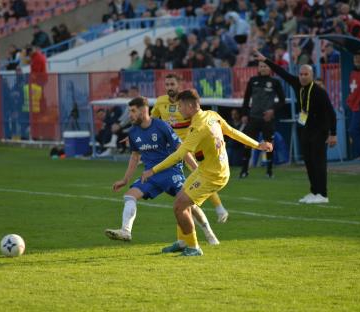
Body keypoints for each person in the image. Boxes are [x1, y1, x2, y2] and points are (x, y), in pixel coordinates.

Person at [141, 89, 273, 256]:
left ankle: (194, 247)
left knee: (179, 206)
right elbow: (232, 132)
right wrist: (257, 144)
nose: (179, 110)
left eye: (180, 106)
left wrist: (153, 170)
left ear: (189, 106)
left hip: (213, 175)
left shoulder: (198, 127)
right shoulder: (211, 115)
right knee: (181, 199)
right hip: (207, 169)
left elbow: (179, 155)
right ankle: (183, 242)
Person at [105, 96, 219, 245]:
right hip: (150, 174)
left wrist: (196, 169)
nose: (130, 115)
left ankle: (208, 232)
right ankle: (126, 231)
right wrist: (125, 180)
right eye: (129, 111)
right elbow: (134, 157)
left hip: (171, 172)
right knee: (129, 196)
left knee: (189, 203)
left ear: (143, 110)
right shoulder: (133, 133)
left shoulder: (161, 126)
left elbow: (181, 149)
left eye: (133, 111)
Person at [253, 50, 337, 204]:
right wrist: (266, 59)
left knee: (319, 162)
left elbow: (331, 113)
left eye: (306, 74)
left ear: (311, 75)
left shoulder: (319, 92)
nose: (303, 77)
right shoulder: (297, 84)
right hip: (306, 129)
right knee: (308, 161)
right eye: (301, 74)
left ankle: (323, 194)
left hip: (320, 129)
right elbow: (281, 72)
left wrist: (333, 134)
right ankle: (314, 191)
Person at [151, 74, 229, 223]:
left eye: (172, 84)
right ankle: (187, 208)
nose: (169, 87)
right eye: (167, 85)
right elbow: (152, 121)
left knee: (199, 173)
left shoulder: (187, 102)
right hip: (170, 147)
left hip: (189, 146)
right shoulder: (161, 101)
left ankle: (219, 208)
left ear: (179, 85)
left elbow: (198, 120)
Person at [240, 60, 286, 178]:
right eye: (261, 66)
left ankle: (269, 171)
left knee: (268, 144)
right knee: (248, 143)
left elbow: (282, 101)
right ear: (258, 68)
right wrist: (244, 114)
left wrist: (272, 110)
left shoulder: (275, 82)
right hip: (253, 117)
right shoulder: (252, 80)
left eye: (265, 66)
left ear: (270, 68)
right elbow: (246, 99)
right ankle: (244, 170)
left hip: (267, 118)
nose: (263, 68)